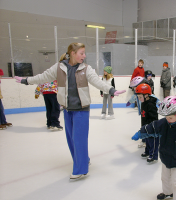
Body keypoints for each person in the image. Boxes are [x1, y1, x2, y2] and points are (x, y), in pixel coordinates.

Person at [15, 42, 126, 181]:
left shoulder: (86, 69)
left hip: (81, 109)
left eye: (84, 53)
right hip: (67, 110)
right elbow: (42, 77)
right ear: (72, 53)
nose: (84, 56)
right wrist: (26, 80)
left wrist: (111, 90)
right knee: (71, 140)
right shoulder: (59, 67)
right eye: (81, 53)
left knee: (79, 139)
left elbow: (98, 82)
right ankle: (84, 159)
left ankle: (81, 169)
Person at [135, 83, 159, 163]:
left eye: (140, 97)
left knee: (153, 141)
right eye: (138, 97)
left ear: (146, 95)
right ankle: (148, 151)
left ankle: (153, 156)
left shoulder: (151, 104)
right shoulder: (144, 103)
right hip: (146, 126)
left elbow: (153, 118)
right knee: (148, 140)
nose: (139, 99)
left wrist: (150, 127)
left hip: (152, 127)